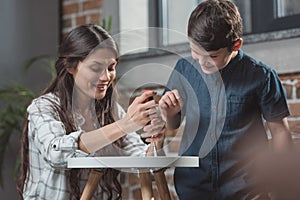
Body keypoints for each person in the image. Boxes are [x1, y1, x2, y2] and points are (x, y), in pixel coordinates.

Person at [159, 0, 292, 199]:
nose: (202, 61)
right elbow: (172, 126)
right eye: (195, 52)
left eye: (212, 56)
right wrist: (168, 114)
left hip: (248, 189)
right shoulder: (183, 69)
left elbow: (280, 131)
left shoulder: (261, 76)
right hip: (194, 187)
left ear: (236, 44)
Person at [17, 24, 165, 200]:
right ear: (71, 66)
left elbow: (140, 159)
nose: (106, 77)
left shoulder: (112, 111)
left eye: (111, 68)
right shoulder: (43, 108)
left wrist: (156, 141)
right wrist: (125, 125)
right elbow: (56, 153)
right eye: (96, 68)